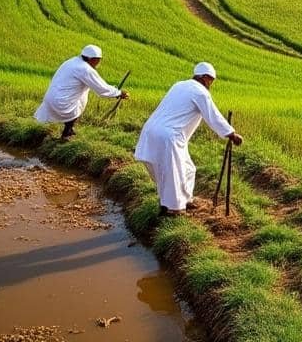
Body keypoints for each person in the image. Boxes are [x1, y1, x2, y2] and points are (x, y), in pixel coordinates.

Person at [134, 62, 243, 216]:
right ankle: (175, 209)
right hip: (169, 136)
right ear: (205, 78)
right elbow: (213, 115)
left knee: (187, 168)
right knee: (173, 172)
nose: (211, 84)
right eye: (211, 81)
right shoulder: (200, 92)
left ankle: (185, 199)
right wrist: (231, 134)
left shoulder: (179, 85)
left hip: (151, 130)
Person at [33, 45, 128, 140]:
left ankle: (39, 132)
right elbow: (101, 88)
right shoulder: (85, 69)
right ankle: (67, 133)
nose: (99, 63)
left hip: (49, 98)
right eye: (99, 60)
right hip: (62, 102)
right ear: (93, 59)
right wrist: (119, 93)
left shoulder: (71, 61)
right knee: (79, 102)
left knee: (80, 95)